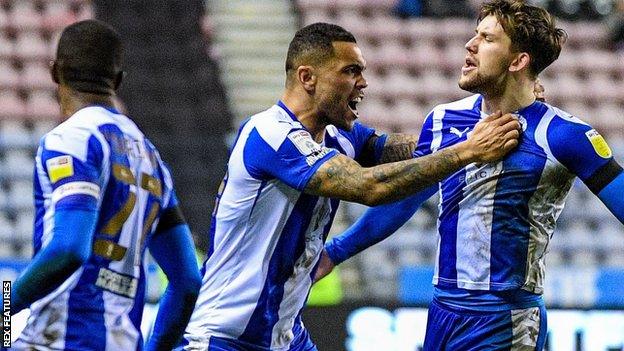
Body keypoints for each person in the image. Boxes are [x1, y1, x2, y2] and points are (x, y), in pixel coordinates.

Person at [176, 22, 521, 351]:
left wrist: (510, 108)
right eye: (350, 71)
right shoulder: (271, 134)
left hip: (283, 334)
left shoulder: (339, 136)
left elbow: (418, 151)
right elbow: (369, 186)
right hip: (226, 336)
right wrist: (468, 150)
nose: (363, 83)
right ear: (307, 77)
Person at [316, 1, 624, 350]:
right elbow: (406, 197)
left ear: (518, 61)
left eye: (487, 39)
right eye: (475, 34)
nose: (470, 44)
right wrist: (335, 252)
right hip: (442, 311)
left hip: (505, 318)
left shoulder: (564, 135)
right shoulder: (443, 119)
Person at [8, 20, 201, 351]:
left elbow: (69, 249)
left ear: (55, 72)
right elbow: (187, 282)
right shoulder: (151, 158)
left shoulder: (72, 138)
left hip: (60, 339)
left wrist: (5, 307)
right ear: (119, 80)